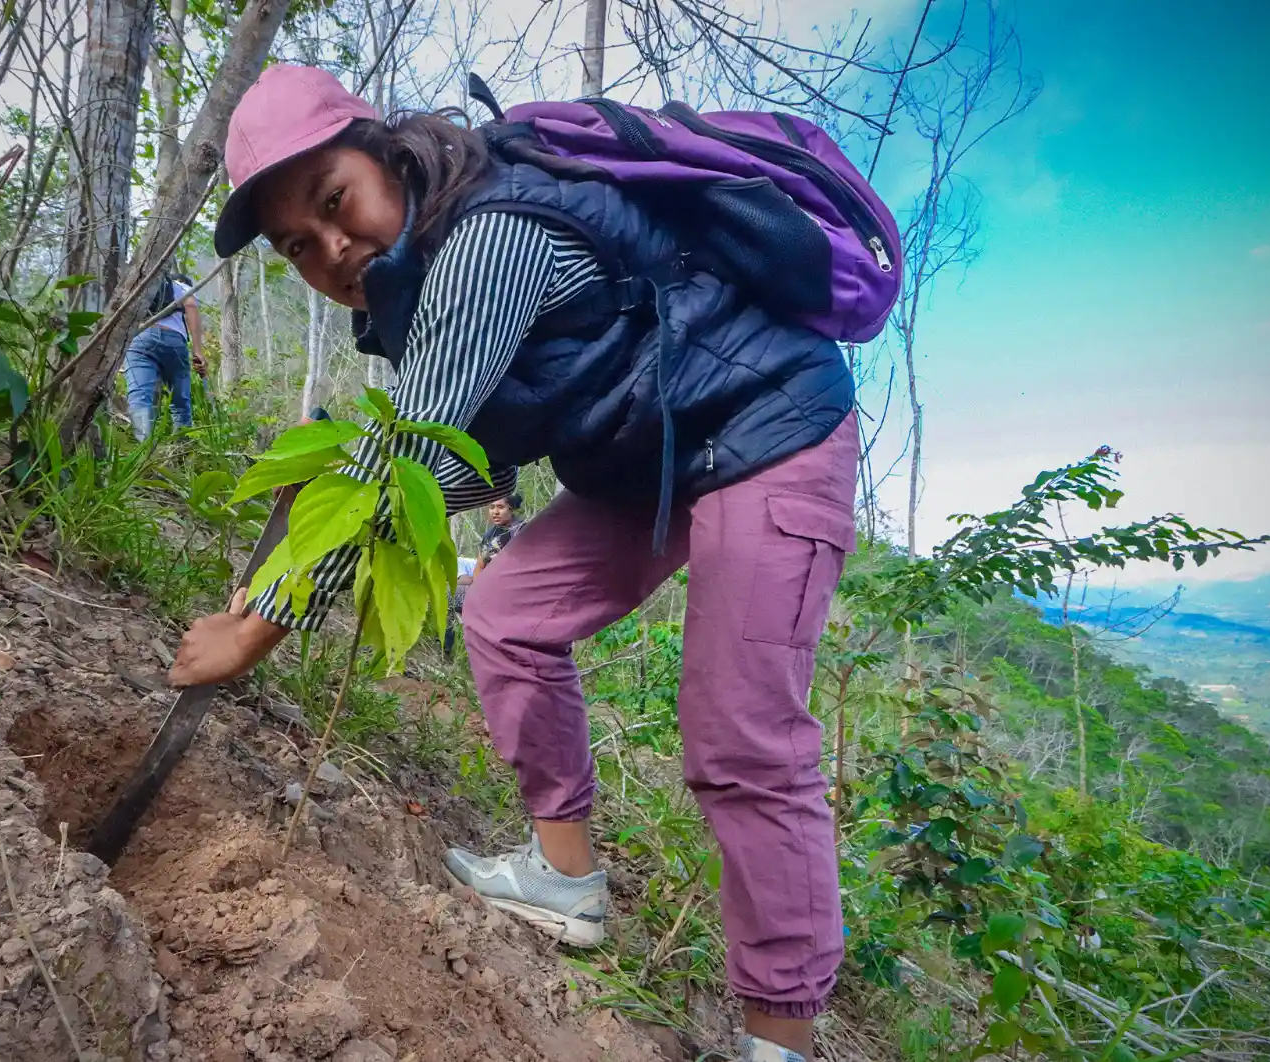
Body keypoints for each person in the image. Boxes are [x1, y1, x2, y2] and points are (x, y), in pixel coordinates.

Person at [169, 64, 858, 1062]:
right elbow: (457, 465)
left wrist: (256, 626)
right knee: (507, 615)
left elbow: (407, 452)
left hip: (771, 424)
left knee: (741, 732)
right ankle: (565, 879)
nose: (332, 248)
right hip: (648, 456)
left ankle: (779, 1040)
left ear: (385, 151)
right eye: (297, 246)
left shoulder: (491, 234)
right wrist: (282, 564)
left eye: (334, 202)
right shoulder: (416, 291)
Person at [125, 273, 204, 441]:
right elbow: (191, 305)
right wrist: (197, 350)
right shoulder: (181, 286)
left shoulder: (139, 281)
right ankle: (182, 450)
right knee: (180, 401)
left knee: (139, 396)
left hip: (139, 338)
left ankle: (143, 450)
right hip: (173, 340)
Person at [445, 494, 525, 657]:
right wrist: (478, 590)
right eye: (492, 507)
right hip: (487, 589)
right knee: (448, 593)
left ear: (511, 508)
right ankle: (446, 650)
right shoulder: (491, 534)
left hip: (513, 594)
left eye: (500, 507)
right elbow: (480, 565)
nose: (495, 512)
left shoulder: (522, 532)